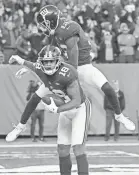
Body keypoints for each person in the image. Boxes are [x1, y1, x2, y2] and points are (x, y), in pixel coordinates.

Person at [12, 5, 135, 134]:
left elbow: (73, 56)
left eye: (44, 24)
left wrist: (69, 74)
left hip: (82, 66)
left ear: (51, 21)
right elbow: (49, 52)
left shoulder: (68, 29)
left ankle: (119, 115)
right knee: (36, 96)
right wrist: (33, 67)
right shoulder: (56, 32)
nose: (42, 27)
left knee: (107, 88)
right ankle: (21, 125)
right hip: (66, 66)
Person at [6, 45, 91, 175]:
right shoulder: (40, 69)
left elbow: (76, 101)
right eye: (45, 61)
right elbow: (32, 65)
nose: (48, 64)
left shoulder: (67, 73)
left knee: (78, 147)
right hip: (61, 104)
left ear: (58, 61)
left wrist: (58, 109)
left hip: (79, 108)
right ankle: (20, 126)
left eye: (51, 61)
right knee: (62, 149)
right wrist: (19, 60)